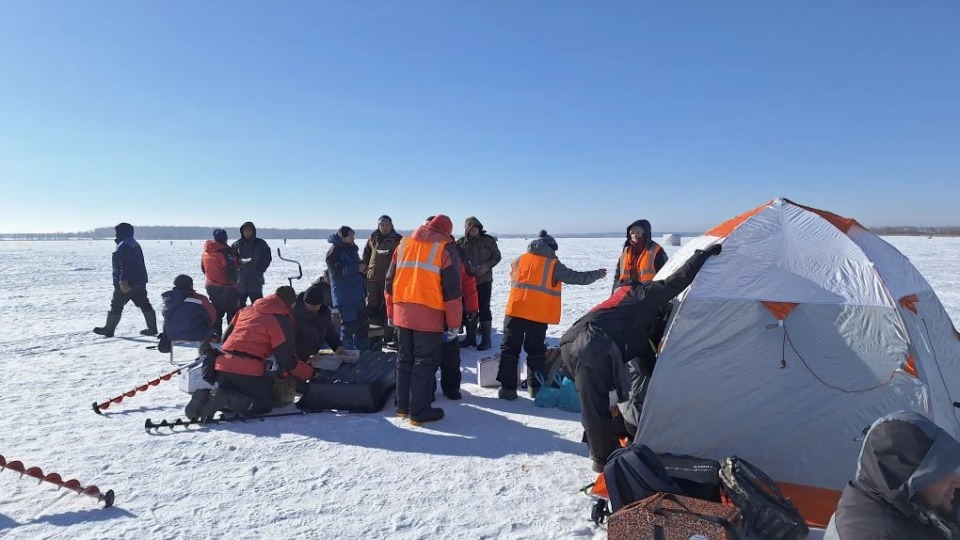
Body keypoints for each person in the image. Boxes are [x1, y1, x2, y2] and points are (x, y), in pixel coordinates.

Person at [559, 244, 721, 472]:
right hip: (591, 343)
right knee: (596, 406)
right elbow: (675, 282)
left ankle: (602, 454)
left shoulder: (629, 318)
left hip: (572, 342)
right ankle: (605, 460)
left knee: (594, 403)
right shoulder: (643, 295)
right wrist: (700, 256)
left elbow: (644, 362)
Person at [498, 230, 607, 400]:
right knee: (535, 351)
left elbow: (514, 277)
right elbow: (576, 277)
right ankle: (535, 389)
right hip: (537, 315)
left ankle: (507, 390)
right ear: (550, 248)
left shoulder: (519, 259)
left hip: (515, 311)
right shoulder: (552, 264)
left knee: (510, 349)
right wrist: (597, 274)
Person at [185, 286, 316, 421]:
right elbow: (287, 360)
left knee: (236, 396)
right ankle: (223, 398)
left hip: (223, 366)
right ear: (291, 303)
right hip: (248, 370)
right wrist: (310, 373)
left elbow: (225, 338)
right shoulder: (280, 319)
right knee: (263, 405)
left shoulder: (247, 309)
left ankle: (207, 396)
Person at [825, 411, 960, 539]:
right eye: (940, 472)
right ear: (907, 479)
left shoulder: (900, 499)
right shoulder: (876, 535)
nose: (957, 481)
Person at [385, 215, 462, 424]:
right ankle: (419, 412)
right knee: (424, 362)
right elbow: (452, 292)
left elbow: (389, 281)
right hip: (428, 314)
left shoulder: (404, 243)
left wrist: (391, 313)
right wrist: (454, 324)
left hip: (402, 311)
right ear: (446, 231)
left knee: (404, 359)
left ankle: (402, 406)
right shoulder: (444, 248)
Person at [93, 222, 157, 338]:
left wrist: (123, 281)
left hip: (128, 282)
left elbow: (125, 265)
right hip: (139, 280)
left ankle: (109, 329)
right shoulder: (132, 243)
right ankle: (152, 328)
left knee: (116, 304)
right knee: (143, 303)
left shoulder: (124, 245)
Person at [457, 216, 501, 350]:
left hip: (484, 280)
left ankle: (486, 341)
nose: (473, 231)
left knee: (484, 308)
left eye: (475, 228)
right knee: (469, 310)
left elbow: (497, 256)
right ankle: (470, 338)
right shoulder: (460, 243)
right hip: (466, 282)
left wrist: (486, 266)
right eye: (470, 229)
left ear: (479, 228)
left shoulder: (488, 241)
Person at [363, 215, 402, 348]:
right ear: (378, 226)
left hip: (390, 280)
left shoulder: (399, 240)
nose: (384, 227)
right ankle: (375, 337)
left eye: (386, 225)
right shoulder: (372, 239)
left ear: (391, 226)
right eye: (382, 225)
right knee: (373, 310)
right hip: (373, 280)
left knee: (389, 309)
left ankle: (388, 336)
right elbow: (366, 258)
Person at [327, 226, 369, 350]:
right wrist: (356, 268)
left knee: (363, 325)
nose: (353, 238)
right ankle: (348, 351)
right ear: (342, 236)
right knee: (349, 325)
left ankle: (363, 351)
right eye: (350, 235)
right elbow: (336, 271)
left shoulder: (351, 249)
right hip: (345, 295)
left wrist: (362, 269)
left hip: (357, 293)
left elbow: (355, 265)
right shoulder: (334, 252)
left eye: (353, 235)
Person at [201, 228, 239, 341]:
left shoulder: (206, 252)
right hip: (226, 287)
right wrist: (236, 281)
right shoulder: (224, 253)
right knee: (232, 311)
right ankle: (231, 336)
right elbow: (230, 271)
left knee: (216, 311)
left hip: (211, 285)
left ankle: (216, 334)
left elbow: (203, 268)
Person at [293, 281, 346, 361]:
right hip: (298, 359)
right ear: (305, 303)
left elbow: (329, 332)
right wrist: (305, 357)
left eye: (317, 306)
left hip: (315, 356)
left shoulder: (323, 313)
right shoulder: (295, 314)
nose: (315, 308)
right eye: (312, 306)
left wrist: (338, 346)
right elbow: (290, 342)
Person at [612, 219, 668, 292]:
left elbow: (664, 274)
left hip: (647, 293)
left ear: (644, 233)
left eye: (638, 232)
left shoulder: (656, 250)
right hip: (626, 292)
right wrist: (614, 292)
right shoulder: (626, 251)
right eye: (632, 233)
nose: (635, 235)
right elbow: (618, 275)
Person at [160, 275, 216, 342]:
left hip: (171, 337)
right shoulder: (200, 299)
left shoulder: (169, 299)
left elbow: (166, 317)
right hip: (197, 337)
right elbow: (212, 317)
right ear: (191, 285)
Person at [231, 221, 272, 307]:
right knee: (239, 307)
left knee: (258, 306)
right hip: (241, 282)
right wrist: (238, 267)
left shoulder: (260, 243)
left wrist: (260, 270)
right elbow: (232, 260)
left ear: (253, 231)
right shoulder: (236, 244)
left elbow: (267, 258)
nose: (247, 233)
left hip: (255, 281)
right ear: (242, 232)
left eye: (249, 231)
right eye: (245, 231)